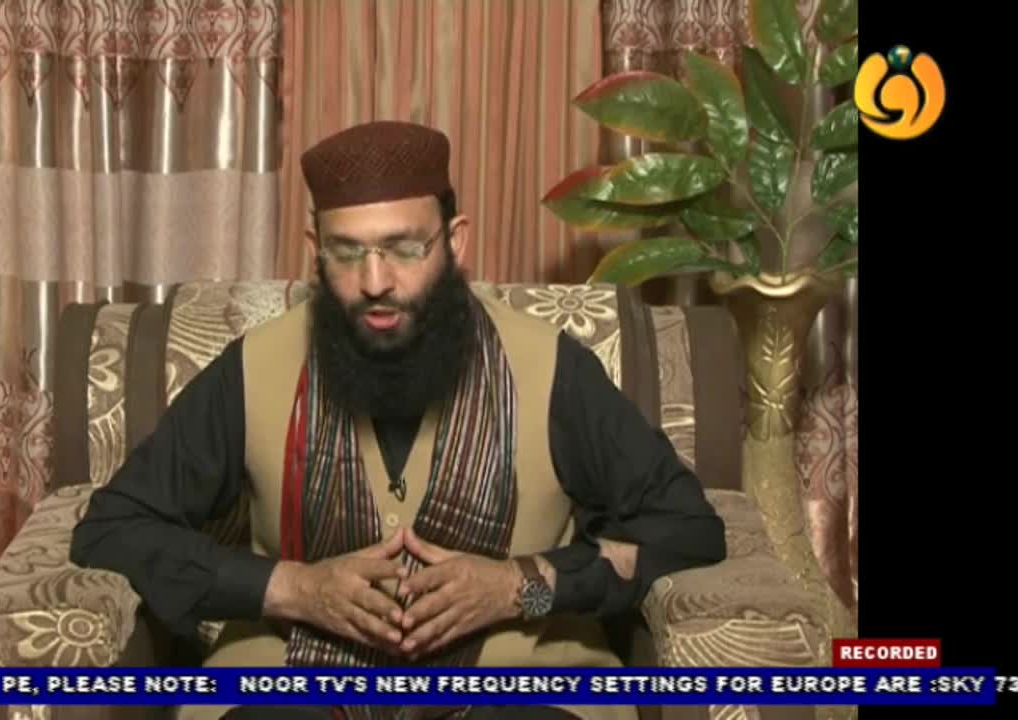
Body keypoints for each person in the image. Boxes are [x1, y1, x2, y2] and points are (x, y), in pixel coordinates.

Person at [70, 121, 727, 720]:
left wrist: (521, 586)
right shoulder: (255, 367)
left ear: (456, 240)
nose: (375, 280)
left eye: (403, 248)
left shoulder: (553, 369)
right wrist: (289, 588)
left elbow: (683, 530)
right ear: (314, 250)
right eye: (346, 252)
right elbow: (113, 529)